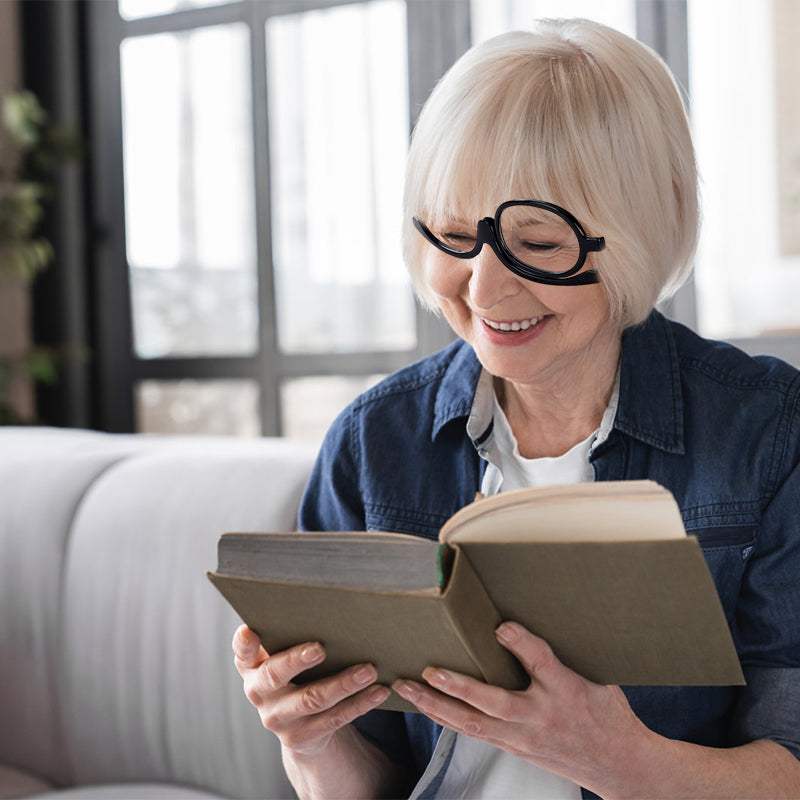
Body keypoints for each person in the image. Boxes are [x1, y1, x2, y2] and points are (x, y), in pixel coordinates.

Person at [233, 18, 800, 799]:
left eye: (538, 242)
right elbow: (365, 784)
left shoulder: (766, 432)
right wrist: (310, 741)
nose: (485, 290)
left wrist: (615, 756)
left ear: (640, 229)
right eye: (458, 235)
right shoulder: (373, 442)